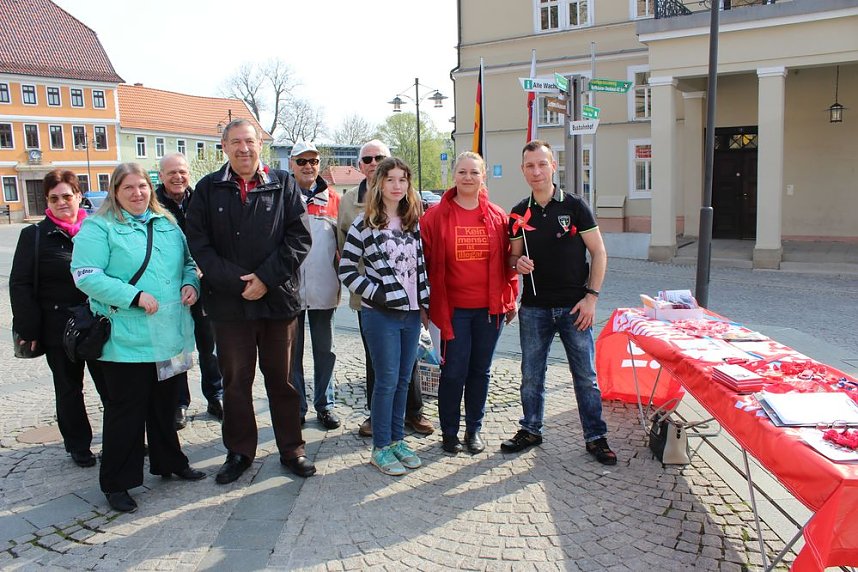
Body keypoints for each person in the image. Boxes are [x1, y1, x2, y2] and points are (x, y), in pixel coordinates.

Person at [185, 119, 316, 484]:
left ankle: (292, 449)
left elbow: (299, 238)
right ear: (224, 147)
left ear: (261, 145)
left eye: (250, 141)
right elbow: (199, 244)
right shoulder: (209, 188)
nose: (244, 148)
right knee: (236, 382)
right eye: (235, 142)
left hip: (277, 302)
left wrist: (265, 279)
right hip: (229, 306)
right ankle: (240, 451)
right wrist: (237, 282)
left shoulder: (284, 183)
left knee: (284, 380)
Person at [71, 163, 206, 514]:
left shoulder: (167, 224)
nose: (137, 193)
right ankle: (117, 482)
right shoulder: (98, 227)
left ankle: (169, 461)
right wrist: (132, 295)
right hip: (126, 339)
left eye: (142, 186)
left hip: (169, 335)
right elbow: (85, 275)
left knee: (166, 405)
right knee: (126, 412)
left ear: (151, 188)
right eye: (128, 187)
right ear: (115, 191)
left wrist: (191, 283)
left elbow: (189, 263)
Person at [502, 140, 616, 465]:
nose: (536, 171)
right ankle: (530, 429)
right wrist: (517, 264)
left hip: (575, 307)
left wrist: (591, 298)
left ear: (553, 166)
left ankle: (596, 437)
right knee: (531, 374)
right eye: (529, 166)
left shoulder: (575, 207)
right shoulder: (518, 213)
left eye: (542, 164)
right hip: (535, 308)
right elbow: (512, 258)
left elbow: (599, 253)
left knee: (586, 376)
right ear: (523, 170)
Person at [421, 152, 519, 455]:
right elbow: (422, 263)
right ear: (453, 176)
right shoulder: (435, 217)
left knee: (481, 371)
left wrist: (512, 297)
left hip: (490, 311)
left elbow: (508, 260)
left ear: (483, 176)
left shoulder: (497, 216)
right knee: (453, 372)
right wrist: (426, 307)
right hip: (452, 311)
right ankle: (449, 432)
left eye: (474, 172)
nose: (467, 178)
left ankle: (473, 429)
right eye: (462, 172)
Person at [339, 157, 429, 476]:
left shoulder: (413, 222)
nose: (396, 185)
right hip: (379, 314)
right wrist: (377, 293)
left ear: (408, 185)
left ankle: (397, 440)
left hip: (412, 314)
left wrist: (425, 302)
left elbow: (421, 269)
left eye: (402, 180)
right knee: (387, 379)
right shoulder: (365, 223)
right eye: (390, 179)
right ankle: (380, 447)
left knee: (405, 379)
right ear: (379, 184)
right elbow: (347, 269)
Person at [10, 170, 106, 468]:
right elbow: (20, 283)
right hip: (59, 327)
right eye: (55, 198)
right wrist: (28, 327)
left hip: (100, 323)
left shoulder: (98, 230)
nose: (62, 202)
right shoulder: (35, 235)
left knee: (113, 385)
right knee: (68, 388)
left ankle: (121, 436)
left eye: (68, 195)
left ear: (80, 196)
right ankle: (78, 445)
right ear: (48, 202)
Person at [155, 153, 224, 429]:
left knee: (210, 345)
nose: (178, 177)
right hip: (169, 288)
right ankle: (179, 402)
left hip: (204, 284)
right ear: (160, 176)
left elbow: (214, 238)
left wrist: (202, 268)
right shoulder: (153, 205)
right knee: (175, 347)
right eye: (171, 172)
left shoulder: (201, 199)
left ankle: (215, 395)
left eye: (182, 171)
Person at [288, 141, 341, 430]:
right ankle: (296, 405)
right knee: (292, 352)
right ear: (291, 164)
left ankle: (326, 404)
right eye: (302, 161)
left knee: (325, 350)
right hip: (290, 290)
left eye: (314, 161)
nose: (308, 166)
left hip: (324, 287)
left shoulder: (334, 198)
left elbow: (344, 245)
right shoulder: (283, 197)